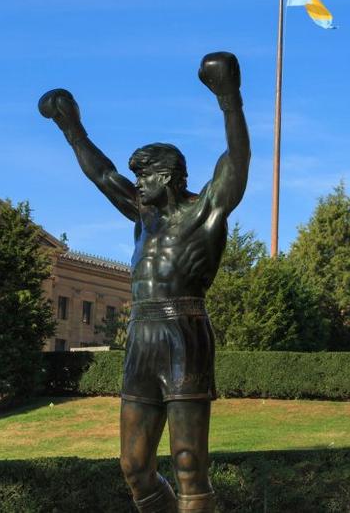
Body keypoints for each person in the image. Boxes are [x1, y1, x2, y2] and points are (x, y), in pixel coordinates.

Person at [39, 51, 249, 513]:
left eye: (144, 177)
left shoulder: (205, 212)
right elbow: (101, 173)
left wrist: (228, 98)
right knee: (134, 466)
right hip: (141, 334)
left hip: (184, 330)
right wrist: (71, 127)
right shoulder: (144, 217)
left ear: (169, 176)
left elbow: (236, 160)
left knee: (189, 463)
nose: (135, 185)